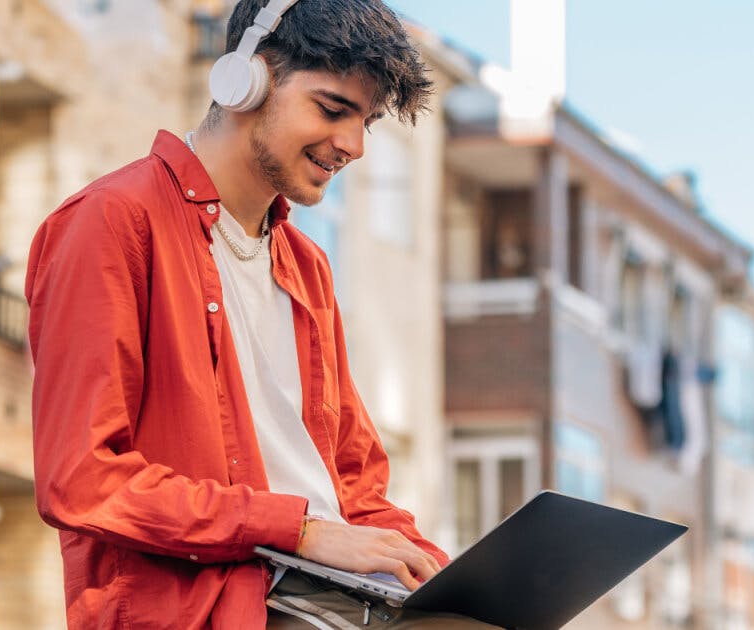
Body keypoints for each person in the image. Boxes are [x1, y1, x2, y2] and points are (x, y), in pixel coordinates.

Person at [25, 0, 497, 627]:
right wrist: (297, 531)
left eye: (366, 122)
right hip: (223, 610)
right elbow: (82, 480)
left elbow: (355, 489)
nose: (352, 146)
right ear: (245, 78)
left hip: (336, 605)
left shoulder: (308, 268)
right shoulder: (112, 222)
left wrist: (441, 578)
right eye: (332, 109)